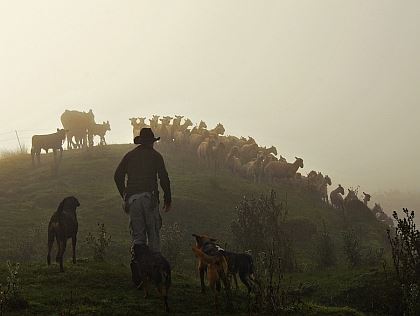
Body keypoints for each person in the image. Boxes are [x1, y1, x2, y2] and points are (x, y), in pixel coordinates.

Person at [114, 128, 172, 257]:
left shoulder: (129, 156)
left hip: (133, 200)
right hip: (149, 199)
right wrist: (168, 199)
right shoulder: (156, 156)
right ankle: (154, 269)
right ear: (152, 142)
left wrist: (125, 195)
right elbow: (164, 178)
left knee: (138, 237)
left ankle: (139, 266)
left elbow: (118, 176)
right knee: (153, 235)